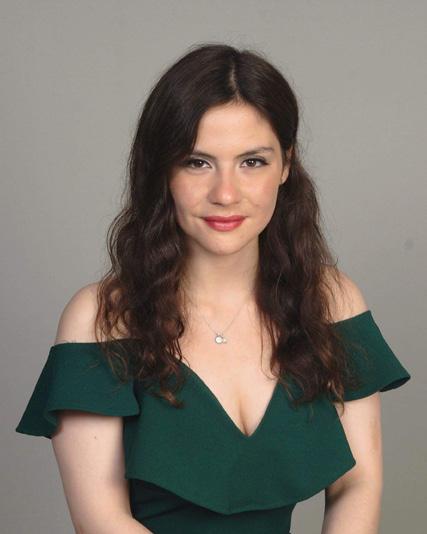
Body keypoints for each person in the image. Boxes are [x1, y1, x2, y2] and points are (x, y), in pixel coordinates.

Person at [15, 43, 411, 534]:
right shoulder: (102, 318)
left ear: (286, 166)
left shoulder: (331, 301)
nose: (226, 193)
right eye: (197, 162)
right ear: (162, 170)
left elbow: (358, 483)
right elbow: (101, 519)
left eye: (253, 162)